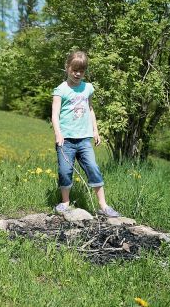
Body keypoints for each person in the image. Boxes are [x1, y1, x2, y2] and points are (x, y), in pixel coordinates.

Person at [51, 50, 120, 217]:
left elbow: (90, 109)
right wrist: (58, 134)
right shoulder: (60, 90)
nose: (77, 74)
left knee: (93, 167)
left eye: (81, 71)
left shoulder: (88, 88)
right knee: (65, 171)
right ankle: (65, 202)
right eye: (74, 70)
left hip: (84, 139)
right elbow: (54, 115)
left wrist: (95, 131)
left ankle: (103, 206)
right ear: (67, 67)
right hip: (66, 140)